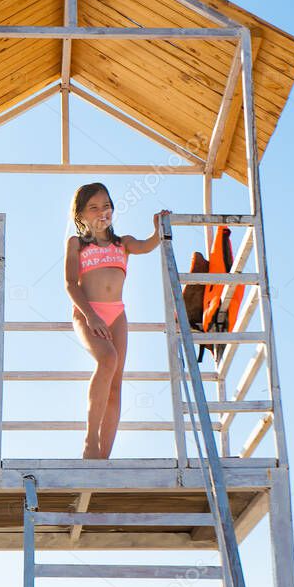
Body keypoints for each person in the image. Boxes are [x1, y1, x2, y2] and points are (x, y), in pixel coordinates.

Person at [64, 181, 171, 459]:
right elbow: (71, 285)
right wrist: (91, 315)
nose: (102, 212)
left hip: (117, 315)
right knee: (107, 359)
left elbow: (148, 245)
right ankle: (90, 443)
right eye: (94, 207)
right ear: (81, 215)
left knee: (115, 383)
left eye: (107, 206)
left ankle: (104, 457)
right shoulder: (76, 244)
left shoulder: (122, 243)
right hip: (88, 313)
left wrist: (159, 229)